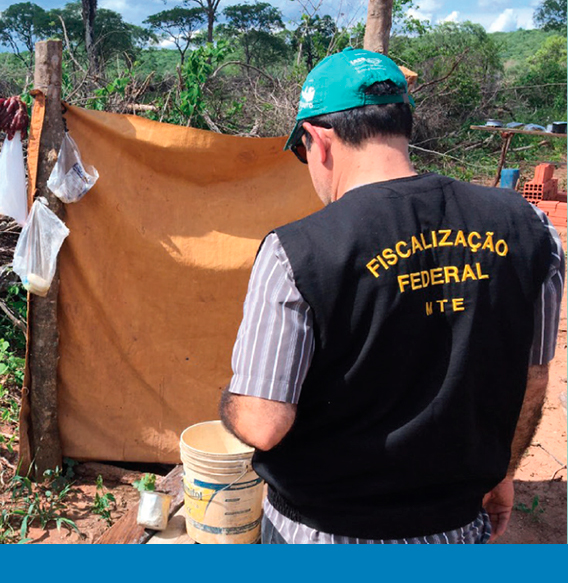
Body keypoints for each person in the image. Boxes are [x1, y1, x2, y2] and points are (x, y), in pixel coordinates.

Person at [219, 47, 565, 544]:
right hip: (456, 526)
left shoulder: (295, 252)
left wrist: (230, 402)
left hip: (324, 534)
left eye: (300, 152)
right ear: (402, 124)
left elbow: (263, 422)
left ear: (318, 140)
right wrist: (501, 472)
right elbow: (531, 377)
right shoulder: (530, 227)